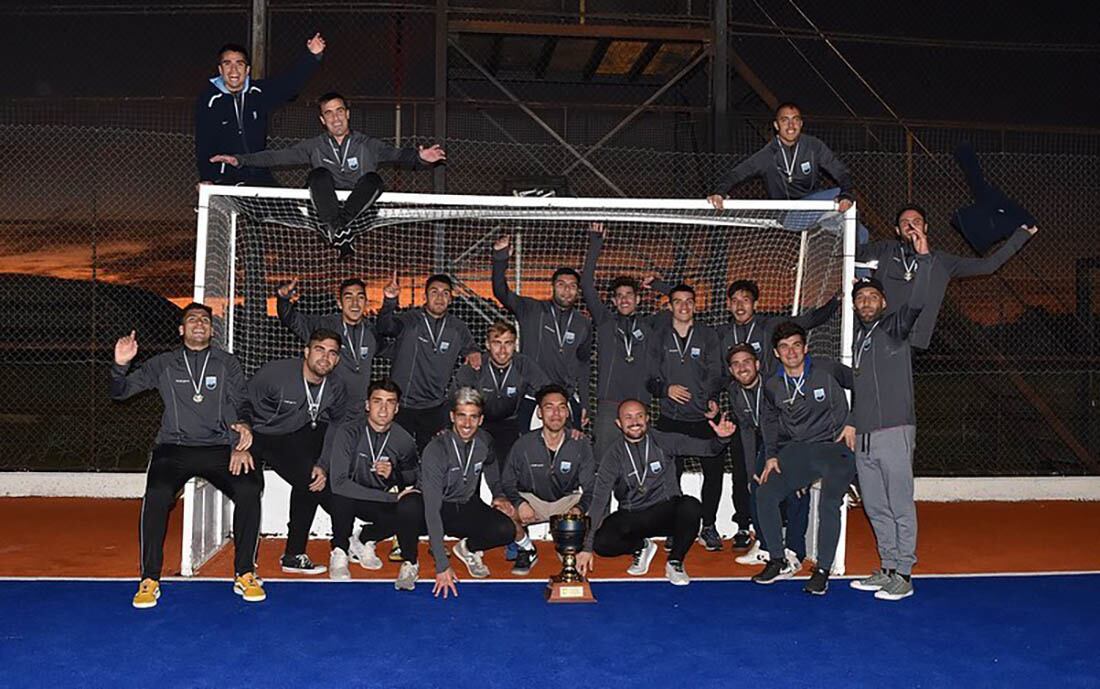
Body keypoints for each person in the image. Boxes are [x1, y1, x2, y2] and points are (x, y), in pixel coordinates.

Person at [111, 303, 262, 608]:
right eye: (192, 319)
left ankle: (244, 572)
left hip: (219, 446)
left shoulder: (226, 363)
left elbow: (242, 403)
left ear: (211, 330)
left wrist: (241, 434)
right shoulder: (163, 363)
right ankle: (150, 578)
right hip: (174, 447)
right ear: (181, 330)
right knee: (156, 494)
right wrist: (119, 365)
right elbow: (120, 392)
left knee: (249, 489)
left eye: (205, 320)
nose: (199, 324)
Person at [210, 92, 446, 256]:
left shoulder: (365, 144)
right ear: (323, 120)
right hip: (323, 213)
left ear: (348, 114)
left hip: (358, 217)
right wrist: (240, 159)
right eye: (329, 113)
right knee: (318, 175)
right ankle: (338, 230)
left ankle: (338, 228)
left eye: (340, 111)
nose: (336, 117)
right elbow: (277, 156)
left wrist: (419, 158)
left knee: (374, 180)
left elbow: (394, 153)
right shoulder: (315, 146)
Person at [718, 278, 838, 548]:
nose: (740, 305)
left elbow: (806, 321)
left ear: (755, 304)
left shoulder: (769, 328)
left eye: (745, 300)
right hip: (751, 423)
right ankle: (754, 535)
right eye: (734, 301)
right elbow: (715, 375)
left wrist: (836, 302)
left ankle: (792, 543)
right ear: (728, 305)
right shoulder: (724, 338)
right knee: (751, 480)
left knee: (792, 482)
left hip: (781, 426)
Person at [577, 400, 735, 586]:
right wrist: (586, 547)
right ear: (619, 424)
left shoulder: (664, 440)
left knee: (691, 506)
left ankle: (675, 562)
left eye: (639, 416)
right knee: (602, 543)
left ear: (648, 419)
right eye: (628, 417)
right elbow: (598, 501)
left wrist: (722, 439)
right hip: (632, 516)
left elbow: (707, 449)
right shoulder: (612, 456)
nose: (634, 421)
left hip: (665, 513)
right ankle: (642, 546)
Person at [752, 321, 855, 596]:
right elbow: (769, 420)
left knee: (829, 503)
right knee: (766, 493)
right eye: (784, 347)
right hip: (800, 449)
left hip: (835, 448)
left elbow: (865, 383)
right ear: (776, 353)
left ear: (805, 347)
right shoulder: (773, 384)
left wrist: (854, 422)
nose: (791, 352)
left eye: (796, 345)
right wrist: (772, 456)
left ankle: (822, 570)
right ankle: (777, 558)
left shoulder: (826, 369)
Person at [847, 265, 930, 601]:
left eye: (872, 297)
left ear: (884, 302)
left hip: (894, 430)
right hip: (864, 436)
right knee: (876, 507)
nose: (866, 302)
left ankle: (904, 573)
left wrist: (923, 260)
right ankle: (888, 566)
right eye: (861, 298)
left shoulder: (894, 328)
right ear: (854, 306)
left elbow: (918, 301)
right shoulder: (857, 337)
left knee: (899, 505)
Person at [857, 204, 1037, 349]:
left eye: (917, 221)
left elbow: (988, 265)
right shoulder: (885, 250)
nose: (911, 225)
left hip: (914, 344)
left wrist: (1021, 236)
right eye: (905, 222)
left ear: (925, 227)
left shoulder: (943, 261)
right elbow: (852, 252)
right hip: (880, 335)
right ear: (897, 230)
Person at [245, 329, 348, 576]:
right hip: (258, 434)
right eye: (319, 350)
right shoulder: (275, 374)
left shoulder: (336, 386)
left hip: (292, 433)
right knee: (248, 490)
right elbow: (242, 400)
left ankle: (293, 554)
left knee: (312, 478)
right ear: (306, 352)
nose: (325, 357)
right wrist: (239, 438)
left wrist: (323, 464)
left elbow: (336, 424)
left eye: (332, 353)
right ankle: (245, 564)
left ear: (338, 360)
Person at [393, 388, 515, 596]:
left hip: (464, 505)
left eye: (473, 417)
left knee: (506, 529)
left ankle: (467, 548)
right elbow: (432, 510)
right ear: (452, 417)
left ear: (481, 419)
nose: (467, 424)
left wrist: (498, 493)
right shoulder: (436, 449)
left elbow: (491, 462)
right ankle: (410, 562)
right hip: (432, 506)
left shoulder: (484, 441)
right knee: (408, 506)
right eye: (461, 416)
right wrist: (441, 565)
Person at [645, 283, 726, 552]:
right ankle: (674, 525)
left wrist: (707, 399)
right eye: (677, 301)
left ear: (695, 304)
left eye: (689, 301)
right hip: (670, 416)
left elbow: (717, 373)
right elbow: (649, 378)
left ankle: (710, 526)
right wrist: (665, 389)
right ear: (669, 305)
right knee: (670, 474)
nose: (683, 306)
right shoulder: (658, 335)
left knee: (713, 472)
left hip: (703, 416)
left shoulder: (708, 335)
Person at [580, 222, 670, 463]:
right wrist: (595, 243)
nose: (624, 299)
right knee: (603, 467)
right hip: (609, 407)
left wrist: (659, 285)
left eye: (629, 294)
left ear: (638, 298)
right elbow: (586, 285)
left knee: (638, 466)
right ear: (613, 300)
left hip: (640, 406)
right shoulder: (605, 321)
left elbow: (682, 300)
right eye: (619, 296)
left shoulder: (651, 325)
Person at [492, 234, 592, 430]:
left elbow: (583, 364)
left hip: (566, 398)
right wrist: (500, 258)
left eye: (572, 286)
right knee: (529, 454)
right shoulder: (531, 309)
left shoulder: (583, 323)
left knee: (568, 454)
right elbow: (500, 291)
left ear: (578, 291)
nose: (567, 290)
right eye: (561, 285)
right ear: (553, 287)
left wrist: (585, 403)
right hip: (531, 396)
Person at [196, 35, 325, 187]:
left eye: (239, 64)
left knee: (286, 209)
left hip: (259, 174)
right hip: (224, 178)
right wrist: (206, 177)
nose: (233, 70)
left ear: (247, 70)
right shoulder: (209, 100)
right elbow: (203, 142)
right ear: (220, 69)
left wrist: (312, 56)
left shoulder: (258, 92)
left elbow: (289, 83)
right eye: (227, 64)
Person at [323, 379, 419, 580]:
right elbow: (338, 482)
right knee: (342, 494)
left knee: (410, 509)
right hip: (344, 496)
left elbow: (412, 478)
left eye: (390, 402)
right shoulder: (348, 431)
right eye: (377, 401)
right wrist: (392, 498)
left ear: (397, 407)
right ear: (367, 405)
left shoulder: (404, 439)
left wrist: (393, 474)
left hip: (376, 499)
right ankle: (340, 550)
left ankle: (365, 538)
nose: (383, 409)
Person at [495, 385, 596, 576]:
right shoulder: (523, 444)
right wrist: (519, 503)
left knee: (597, 509)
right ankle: (526, 548)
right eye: (549, 407)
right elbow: (507, 481)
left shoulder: (581, 444)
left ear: (567, 412)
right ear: (540, 413)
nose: (556, 413)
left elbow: (591, 487)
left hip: (567, 502)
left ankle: (568, 548)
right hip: (533, 502)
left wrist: (579, 509)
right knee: (501, 511)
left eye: (561, 407)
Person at [375, 272, 480, 453]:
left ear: (451, 299)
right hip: (402, 405)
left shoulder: (458, 328)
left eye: (445, 293)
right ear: (425, 296)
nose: (440, 297)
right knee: (396, 457)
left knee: (432, 456)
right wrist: (389, 301)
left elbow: (472, 351)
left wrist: (473, 353)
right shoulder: (411, 320)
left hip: (434, 407)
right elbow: (386, 327)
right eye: (434, 292)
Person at [726, 344, 808, 571]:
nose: (742, 367)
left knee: (796, 492)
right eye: (736, 364)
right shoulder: (734, 391)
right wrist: (753, 467)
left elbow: (797, 423)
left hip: (790, 443)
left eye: (747, 361)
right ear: (731, 371)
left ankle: (795, 551)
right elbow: (746, 429)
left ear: (758, 365)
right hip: (766, 444)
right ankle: (764, 545)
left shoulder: (776, 386)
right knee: (756, 488)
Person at [276, 277, 378, 413]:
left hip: (359, 413)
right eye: (348, 298)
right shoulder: (325, 325)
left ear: (366, 302)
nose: (355, 304)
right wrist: (283, 299)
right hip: (328, 412)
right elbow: (292, 320)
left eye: (360, 298)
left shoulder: (372, 331)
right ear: (340, 303)